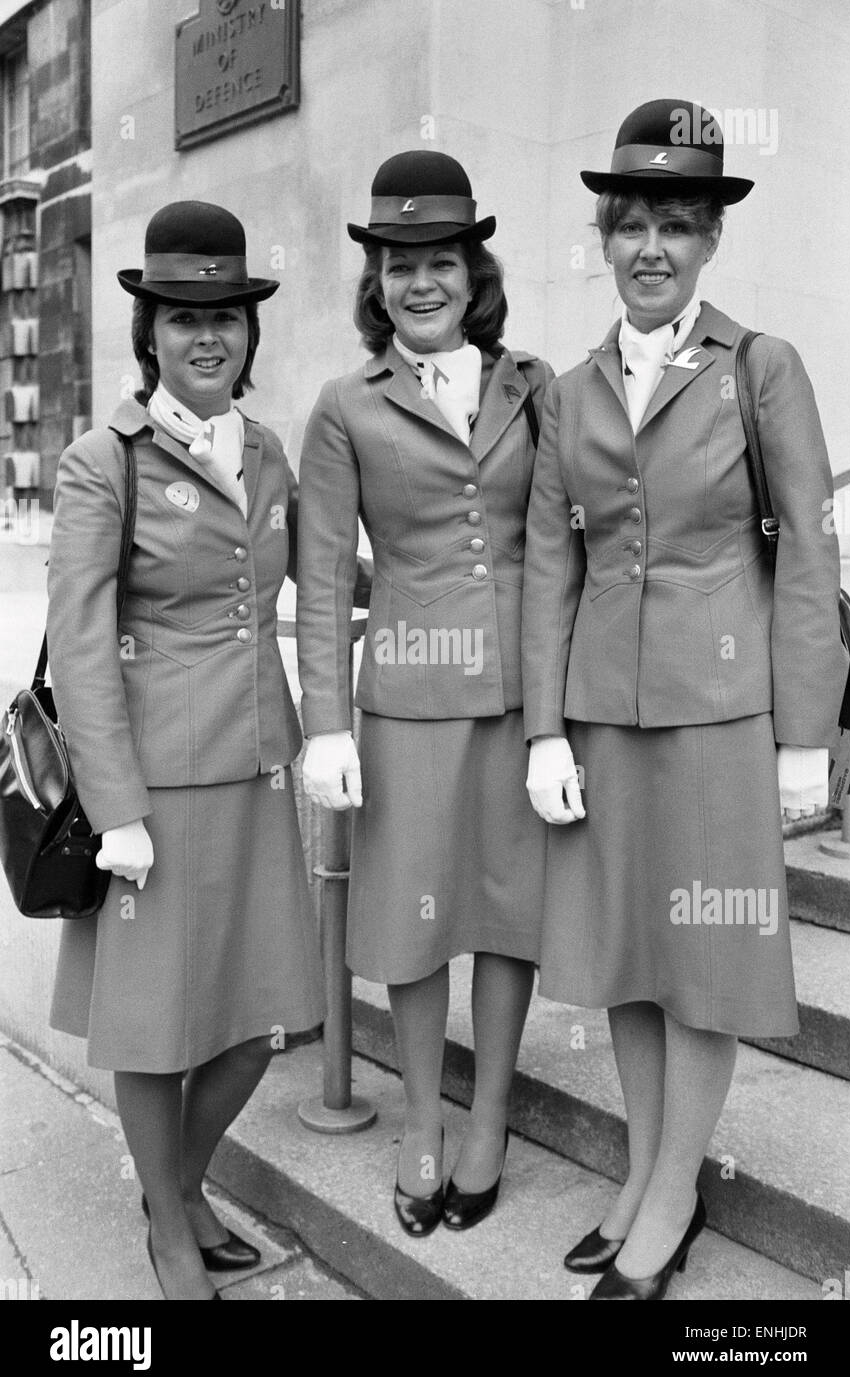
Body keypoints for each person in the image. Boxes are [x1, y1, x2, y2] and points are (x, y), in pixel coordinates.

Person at [522, 100, 846, 1299]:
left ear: (710, 240)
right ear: (601, 240)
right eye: (631, 223)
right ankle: (650, 1171)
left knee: (701, 956)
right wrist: (543, 727)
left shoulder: (760, 367)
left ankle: (669, 1195)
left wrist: (802, 738)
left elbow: (808, 554)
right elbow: (549, 561)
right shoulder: (566, 391)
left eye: (676, 222)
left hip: (720, 719)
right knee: (626, 953)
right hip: (603, 717)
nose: (650, 245)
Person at [47, 201, 337, 1300]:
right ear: (150, 331)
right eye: (182, 315)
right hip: (155, 792)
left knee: (263, 1022)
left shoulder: (267, 454)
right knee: (156, 1032)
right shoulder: (100, 461)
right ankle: (171, 1225)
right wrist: (114, 806)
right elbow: (80, 643)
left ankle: (176, 1184)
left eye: (225, 314)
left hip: (260, 771)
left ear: (250, 332)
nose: (207, 333)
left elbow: (326, 580)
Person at [297, 150, 553, 1236]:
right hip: (401, 702)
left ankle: (487, 1118)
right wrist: (323, 726)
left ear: (470, 268)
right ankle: (417, 1122)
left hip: (514, 703)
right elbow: (318, 578)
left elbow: (557, 549)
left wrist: (553, 721)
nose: (419, 282)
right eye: (398, 263)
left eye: (438, 259)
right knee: (409, 928)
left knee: (503, 916)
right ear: (376, 279)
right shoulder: (343, 403)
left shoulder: (531, 387)